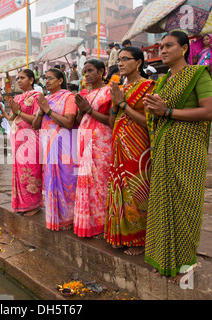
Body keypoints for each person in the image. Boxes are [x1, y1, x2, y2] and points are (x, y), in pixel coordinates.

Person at [143, 30, 212, 284]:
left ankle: (186, 264)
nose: (162, 50)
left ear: (184, 48)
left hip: (188, 150)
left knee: (186, 205)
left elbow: (208, 111)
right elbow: (158, 115)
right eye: (161, 47)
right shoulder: (162, 82)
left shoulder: (198, 74)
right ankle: (165, 259)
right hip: (164, 148)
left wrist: (167, 110)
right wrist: (151, 108)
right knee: (164, 203)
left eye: (169, 46)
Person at [105, 47, 155, 256]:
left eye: (126, 59)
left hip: (137, 144)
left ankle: (139, 239)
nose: (121, 63)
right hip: (118, 143)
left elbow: (147, 121)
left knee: (136, 189)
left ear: (139, 62)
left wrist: (123, 103)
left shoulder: (148, 86)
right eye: (119, 60)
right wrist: (117, 104)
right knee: (119, 189)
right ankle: (121, 236)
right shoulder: (119, 87)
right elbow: (111, 120)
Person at [32, 68, 78, 232]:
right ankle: (57, 217)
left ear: (60, 80)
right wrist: (41, 109)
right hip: (49, 146)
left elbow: (69, 122)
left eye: (51, 78)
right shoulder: (47, 99)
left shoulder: (68, 97)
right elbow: (35, 126)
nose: (47, 81)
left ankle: (70, 218)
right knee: (52, 181)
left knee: (67, 181)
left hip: (65, 147)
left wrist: (48, 110)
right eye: (45, 78)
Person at [73, 59, 113, 238]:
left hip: (102, 141)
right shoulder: (87, 94)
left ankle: (102, 223)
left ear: (102, 71)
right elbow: (79, 120)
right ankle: (88, 222)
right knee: (86, 182)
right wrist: (81, 110)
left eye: (90, 71)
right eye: (84, 72)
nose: (87, 75)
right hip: (85, 139)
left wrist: (87, 109)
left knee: (100, 181)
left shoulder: (110, 91)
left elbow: (110, 121)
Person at [7, 69, 43, 217]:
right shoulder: (18, 97)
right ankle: (22, 204)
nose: (19, 81)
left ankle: (33, 204)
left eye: (22, 78)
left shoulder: (37, 96)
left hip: (30, 138)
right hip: (17, 139)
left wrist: (19, 111)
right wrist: (13, 110)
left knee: (31, 171)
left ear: (31, 80)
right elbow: (11, 118)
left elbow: (36, 121)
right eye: (17, 78)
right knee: (19, 171)